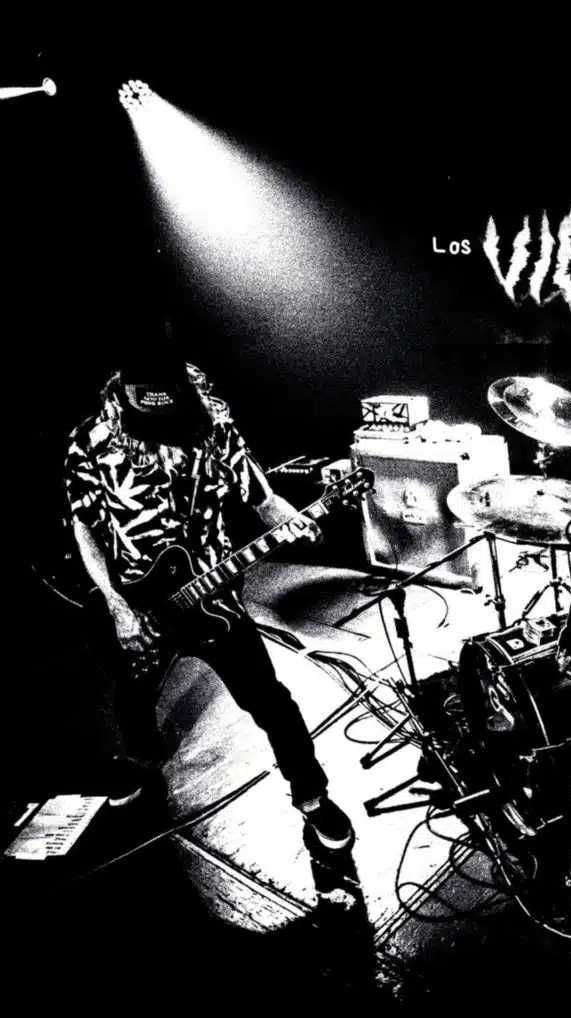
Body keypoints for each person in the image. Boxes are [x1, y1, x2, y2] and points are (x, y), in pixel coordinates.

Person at [65, 338, 354, 852]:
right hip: (138, 602)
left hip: (215, 597)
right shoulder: (90, 441)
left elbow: (262, 497)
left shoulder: (214, 426)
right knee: (132, 695)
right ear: (122, 393)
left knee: (270, 700)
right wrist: (117, 606)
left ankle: (312, 796)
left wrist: (293, 521)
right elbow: (84, 526)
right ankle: (142, 761)